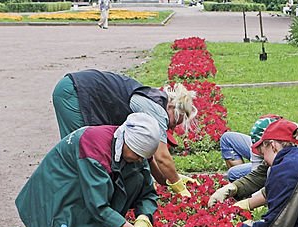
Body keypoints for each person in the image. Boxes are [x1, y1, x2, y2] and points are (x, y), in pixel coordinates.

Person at [0, 114, 161, 227]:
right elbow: (98, 207)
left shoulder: (134, 152)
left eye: (143, 157)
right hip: (59, 188)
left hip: (85, 190)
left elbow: (147, 192)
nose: (140, 160)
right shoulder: (94, 148)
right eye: (138, 155)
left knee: (136, 178)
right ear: (127, 142)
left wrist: (143, 219)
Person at [51, 70, 197, 197]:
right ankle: (65, 199)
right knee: (79, 150)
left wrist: (170, 180)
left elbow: (149, 158)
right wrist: (179, 187)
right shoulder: (158, 110)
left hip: (74, 88)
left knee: (81, 153)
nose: (169, 127)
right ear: (171, 107)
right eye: (173, 122)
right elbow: (162, 157)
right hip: (75, 91)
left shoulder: (153, 102)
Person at [211, 116, 298, 205]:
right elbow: (260, 173)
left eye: (262, 150)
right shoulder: (288, 143)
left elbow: (282, 187)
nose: (261, 155)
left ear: (272, 144)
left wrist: (248, 204)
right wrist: (233, 188)